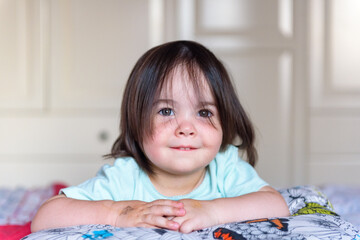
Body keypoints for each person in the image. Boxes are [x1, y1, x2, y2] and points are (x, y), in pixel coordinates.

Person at [31, 40, 290, 233]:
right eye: (166, 111)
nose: (186, 128)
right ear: (136, 119)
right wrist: (119, 212)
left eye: (203, 112)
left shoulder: (224, 168)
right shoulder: (126, 177)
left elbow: (276, 206)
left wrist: (212, 210)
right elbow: (46, 217)